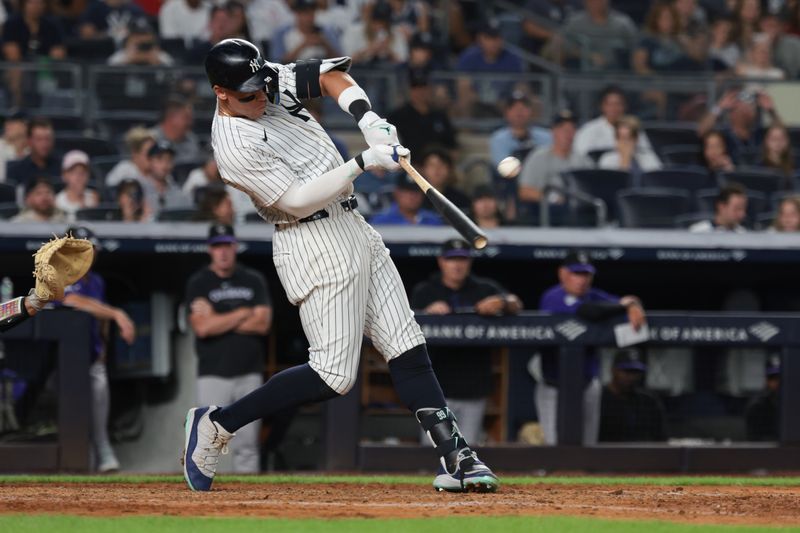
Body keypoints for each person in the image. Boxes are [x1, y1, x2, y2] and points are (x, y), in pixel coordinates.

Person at [183, 38, 499, 494]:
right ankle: (218, 424)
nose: (261, 96)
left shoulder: (263, 77)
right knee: (333, 374)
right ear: (221, 92)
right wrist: (362, 162)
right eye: (249, 93)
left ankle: (458, 456)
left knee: (406, 343)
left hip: (354, 225)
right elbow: (294, 202)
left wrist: (368, 120)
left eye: (261, 85)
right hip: (311, 239)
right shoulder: (233, 143)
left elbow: (331, 77)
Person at [410, 238, 522, 444]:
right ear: (441, 261)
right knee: (432, 452)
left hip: (474, 384)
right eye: (452, 259)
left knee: (467, 451)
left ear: (469, 262)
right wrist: (426, 313)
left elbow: (516, 304)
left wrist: (502, 302)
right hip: (435, 387)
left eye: (462, 259)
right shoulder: (425, 291)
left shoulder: (484, 288)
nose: (457, 264)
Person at [534, 250, 646, 445]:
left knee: (587, 446)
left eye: (586, 274)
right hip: (554, 386)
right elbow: (588, 311)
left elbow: (625, 301)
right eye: (577, 273)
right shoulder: (552, 296)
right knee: (554, 447)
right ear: (563, 274)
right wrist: (623, 305)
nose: (582, 280)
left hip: (587, 384)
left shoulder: (594, 295)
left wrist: (634, 304)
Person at [185, 224, 272, 473]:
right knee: (207, 441)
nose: (222, 252)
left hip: (249, 372)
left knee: (248, 443)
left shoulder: (252, 279)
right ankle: (206, 496)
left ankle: (250, 502)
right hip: (213, 373)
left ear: (235, 246)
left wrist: (218, 317)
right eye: (217, 246)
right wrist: (245, 312)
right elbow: (203, 328)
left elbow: (263, 323)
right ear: (209, 250)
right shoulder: (199, 282)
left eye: (227, 245)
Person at [59, 225, 136, 472]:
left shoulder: (96, 281)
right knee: (73, 417)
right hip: (60, 361)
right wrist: (117, 313)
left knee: (100, 402)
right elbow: (72, 301)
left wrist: (103, 347)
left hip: (91, 355)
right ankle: (85, 457)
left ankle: (102, 450)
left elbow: (98, 315)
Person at [518, 110, 593, 204]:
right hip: (547, 211)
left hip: (577, 209)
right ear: (553, 131)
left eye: (572, 129)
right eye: (563, 129)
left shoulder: (583, 160)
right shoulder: (538, 157)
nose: (568, 134)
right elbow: (524, 191)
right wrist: (552, 199)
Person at [387, 67, 458, 164]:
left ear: (429, 89)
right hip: (407, 168)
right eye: (416, 88)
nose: (420, 92)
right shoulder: (397, 116)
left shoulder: (440, 116)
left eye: (423, 87)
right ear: (410, 90)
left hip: (436, 168)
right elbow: (386, 147)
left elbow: (453, 148)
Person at [455, 19, 524, 118]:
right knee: (465, 98)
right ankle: (467, 130)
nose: (493, 42)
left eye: (497, 38)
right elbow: (463, 86)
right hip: (476, 100)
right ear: (480, 39)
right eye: (489, 38)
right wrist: (486, 99)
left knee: (533, 103)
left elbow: (521, 86)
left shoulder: (513, 57)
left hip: (504, 101)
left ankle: (520, 131)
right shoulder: (469, 57)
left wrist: (511, 99)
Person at [697, 88, 782, 165]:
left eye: (752, 106)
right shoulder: (723, 134)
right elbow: (701, 131)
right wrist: (719, 107)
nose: (748, 109)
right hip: (730, 177)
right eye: (742, 106)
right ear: (731, 113)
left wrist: (771, 111)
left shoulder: (760, 133)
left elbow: (782, 135)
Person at [598, 349, 667, 443]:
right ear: (613, 370)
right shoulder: (598, 399)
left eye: (635, 372)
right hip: (603, 455)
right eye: (626, 371)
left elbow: (661, 438)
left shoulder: (648, 402)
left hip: (640, 455)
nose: (631, 377)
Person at [572, 86, 656, 159]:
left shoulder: (634, 129)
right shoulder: (588, 130)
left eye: (618, 104)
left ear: (624, 106)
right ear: (602, 106)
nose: (614, 108)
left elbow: (647, 155)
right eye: (610, 104)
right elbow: (580, 158)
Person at [556, 0, 638, 71]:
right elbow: (565, 46)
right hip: (581, 68)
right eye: (591, 1)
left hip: (615, 69)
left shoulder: (623, 23)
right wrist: (589, 56)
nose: (595, 3)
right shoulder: (574, 22)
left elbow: (634, 46)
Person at [489, 91, 552, 169]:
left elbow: (552, 164)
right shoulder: (498, 139)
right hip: (511, 180)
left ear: (531, 112)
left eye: (524, 107)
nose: (519, 111)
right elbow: (504, 168)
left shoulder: (547, 136)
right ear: (506, 113)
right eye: (514, 107)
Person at [341, 1, 408, 67]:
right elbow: (345, 61)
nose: (378, 27)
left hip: (387, 73)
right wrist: (368, 50)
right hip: (359, 73)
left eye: (382, 24)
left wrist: (388, 51)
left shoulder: (396, 34)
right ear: (369, 19)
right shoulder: (354, 31)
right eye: (375, 22)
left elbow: (403, 62)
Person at [271, 0, 340, 64]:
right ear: (297, 13)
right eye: (305, 13)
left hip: (323, 73)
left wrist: (324, 44)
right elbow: (278, 64)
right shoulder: (283, 34)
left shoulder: (325, 31)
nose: (309, 17)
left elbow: (339, 60)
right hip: (294, 74)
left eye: (311, 12)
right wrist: (303, 45)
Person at [598, 115, 662, 177]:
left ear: (636, 139)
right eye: (621, 138)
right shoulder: (607, 159)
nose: (624, 143)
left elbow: (656, 181)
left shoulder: (649, 157)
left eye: (628, 139)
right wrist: (625, 160)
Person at [369, 172, 443, 226]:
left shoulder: (434, 220)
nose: (412, 196)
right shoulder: (380, 221)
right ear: (397, 193)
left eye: (417, 191)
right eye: (407, 191)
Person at [141, 141, 192, 217]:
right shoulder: (140, 189)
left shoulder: (179, 193)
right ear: (149, 161)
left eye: (169, 159)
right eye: (159, 159)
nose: (165, 164)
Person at [7, 117, 60, 186]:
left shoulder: (63, 167)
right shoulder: (15, 171)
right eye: (39, 139)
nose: (44, 144)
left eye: (48, 139)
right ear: (29, 141)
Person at [151, 97, 201, 163]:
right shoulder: (150, 139)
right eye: (186, 118)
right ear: (171, 118)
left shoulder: (192, 140)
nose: (190, 122)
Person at [107, 18, 174, 66]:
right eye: (137, 34)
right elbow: (105, 79)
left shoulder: (161, 57)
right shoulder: (119, 57)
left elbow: (174, 77)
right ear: (128, 39)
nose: (142, 39)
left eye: (145, 34)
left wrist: (158, 64)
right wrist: (126, 62)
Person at [55, 150, 100, 221]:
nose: (79, 176)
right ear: (64, 175)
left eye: (83, 172)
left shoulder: (94, 197)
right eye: (73, 172)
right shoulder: (57, 201)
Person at [745, 354, 781, 441]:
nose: (777, 382)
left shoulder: (794, 402)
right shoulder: (757, 405)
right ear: (766, 379)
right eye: (773, 378)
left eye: (780, 377)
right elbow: (754, 440)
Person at [0, 111, 29, 183]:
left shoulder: (34, 149)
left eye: (12, 122)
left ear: (25, 126)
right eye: (6, 122)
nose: (7, 125)